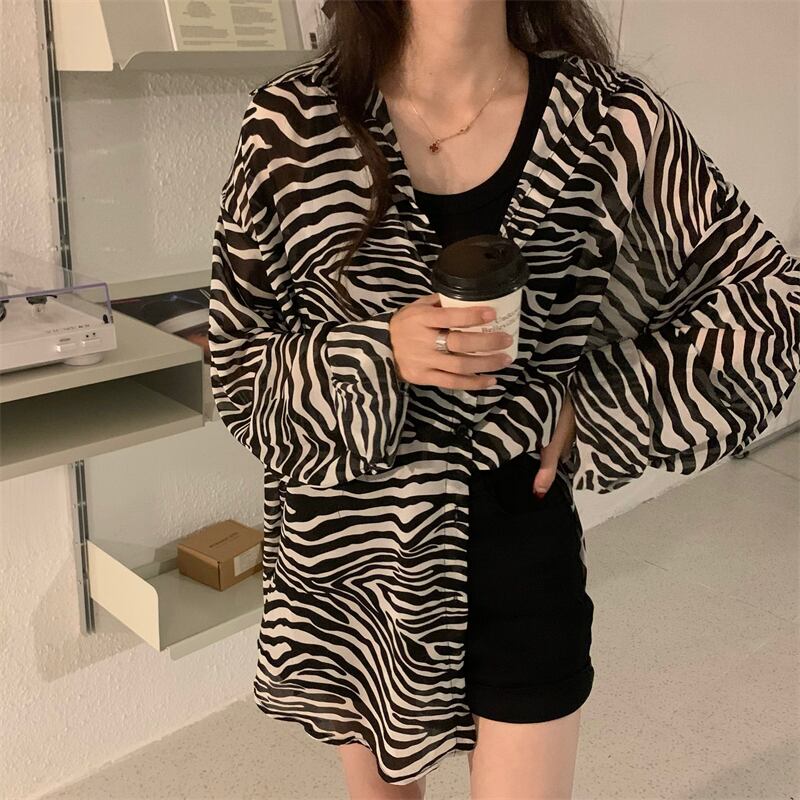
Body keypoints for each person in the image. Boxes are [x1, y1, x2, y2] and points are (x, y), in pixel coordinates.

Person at [207, 1, 799, 798]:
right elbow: (239, 370)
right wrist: (379, 353)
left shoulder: (610, 124)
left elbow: (770, 309)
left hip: (522, 547)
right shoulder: (295, 127)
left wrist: (593, 405)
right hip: (356, 566)